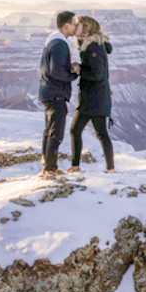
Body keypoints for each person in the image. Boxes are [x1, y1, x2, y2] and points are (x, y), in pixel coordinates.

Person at [69, 15, 115, 173]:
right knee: (77, 131)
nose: (75, 27)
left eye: (78, 24)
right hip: (91, 96)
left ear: (87, 27)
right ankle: (76, 166)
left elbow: (97, 74)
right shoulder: (88, 44)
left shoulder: (93, 46)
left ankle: (110, 169)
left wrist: (79, 69)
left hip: (95, 97)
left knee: (99, 133)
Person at [39, 11, 79, 176]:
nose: (76, 27)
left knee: (49, 131)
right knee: (56, 134)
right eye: (74, 24)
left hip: (48, 92)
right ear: (67, 25)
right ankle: (50, 169)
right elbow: (57, 72)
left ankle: (47, 166)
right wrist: (74, 74)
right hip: (56, 94)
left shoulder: (52, 41)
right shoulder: (59, 44)